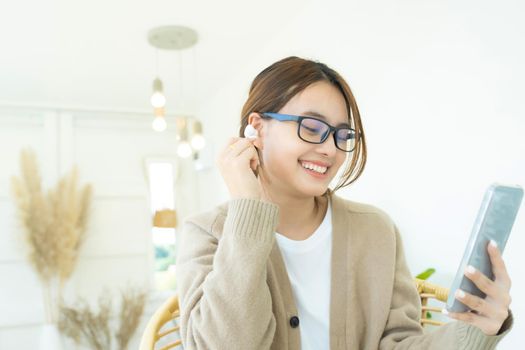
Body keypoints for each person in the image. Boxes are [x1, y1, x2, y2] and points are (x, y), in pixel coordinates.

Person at [175, 56, 513, 349]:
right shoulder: (207, 233)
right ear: (257, 129)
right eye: (311, 126)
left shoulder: (376, 230)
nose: (330, 149)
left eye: (342, 134)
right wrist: (247, 210)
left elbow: (401, 344)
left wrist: (477, 331)